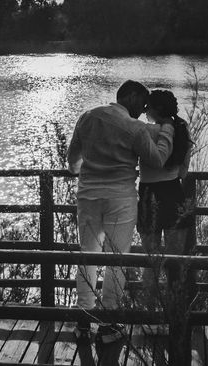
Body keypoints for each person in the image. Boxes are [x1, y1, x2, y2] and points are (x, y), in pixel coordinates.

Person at [66, 80, 175, 345]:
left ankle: (83, 320)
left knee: (87, 255)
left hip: (88, 196)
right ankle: (109, 324)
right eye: (142, 100)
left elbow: (72, 163)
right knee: (116, 259)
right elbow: (157, 160)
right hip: (121, 199)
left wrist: (90, 171)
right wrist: (169, 131)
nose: (145, 106)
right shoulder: (135, 128)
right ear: (129, 96)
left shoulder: (87, 117)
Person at [137, 89, 193, 307]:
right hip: (173, 193)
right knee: (175, 262)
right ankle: (176, 311)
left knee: (150, 260)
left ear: (156, 109)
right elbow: (183, 171)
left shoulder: (146, 130)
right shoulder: (181, 127)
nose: (144, 111)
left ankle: (148, 310)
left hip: (148, 194)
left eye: (147, 107)